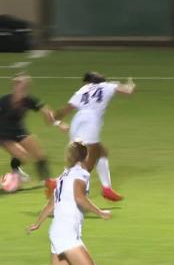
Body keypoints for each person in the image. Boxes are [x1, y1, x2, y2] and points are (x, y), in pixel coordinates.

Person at [11, 142, 118, 265]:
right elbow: (79, 197)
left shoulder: (63, 176)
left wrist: (38, 223)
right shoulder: (80, 175)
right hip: (67, 234)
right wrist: (100, 212)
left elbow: (52, 202)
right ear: (85, 157)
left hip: (58, 232)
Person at [0, 73, 68, 196]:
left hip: (18, 130)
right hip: (1, 132)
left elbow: (46, 112)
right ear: (14, 86)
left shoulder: (28, 100)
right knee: (23, 156)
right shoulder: (4, 101)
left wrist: (58, 123)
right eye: (19, 85)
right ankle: (16, 174)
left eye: (25, 86)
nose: (22, 88)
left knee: (40, 154)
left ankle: (47, 181)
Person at [55, 72, 136, 201]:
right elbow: (128, 91)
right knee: (88, 164)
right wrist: (131, 84)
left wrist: (58, 123)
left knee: (100, 151)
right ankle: (66, 191)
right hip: (90, 122)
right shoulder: (107, 85)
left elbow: (64, 110)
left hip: (77, 121)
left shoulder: (83, 89)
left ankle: (106, 189)